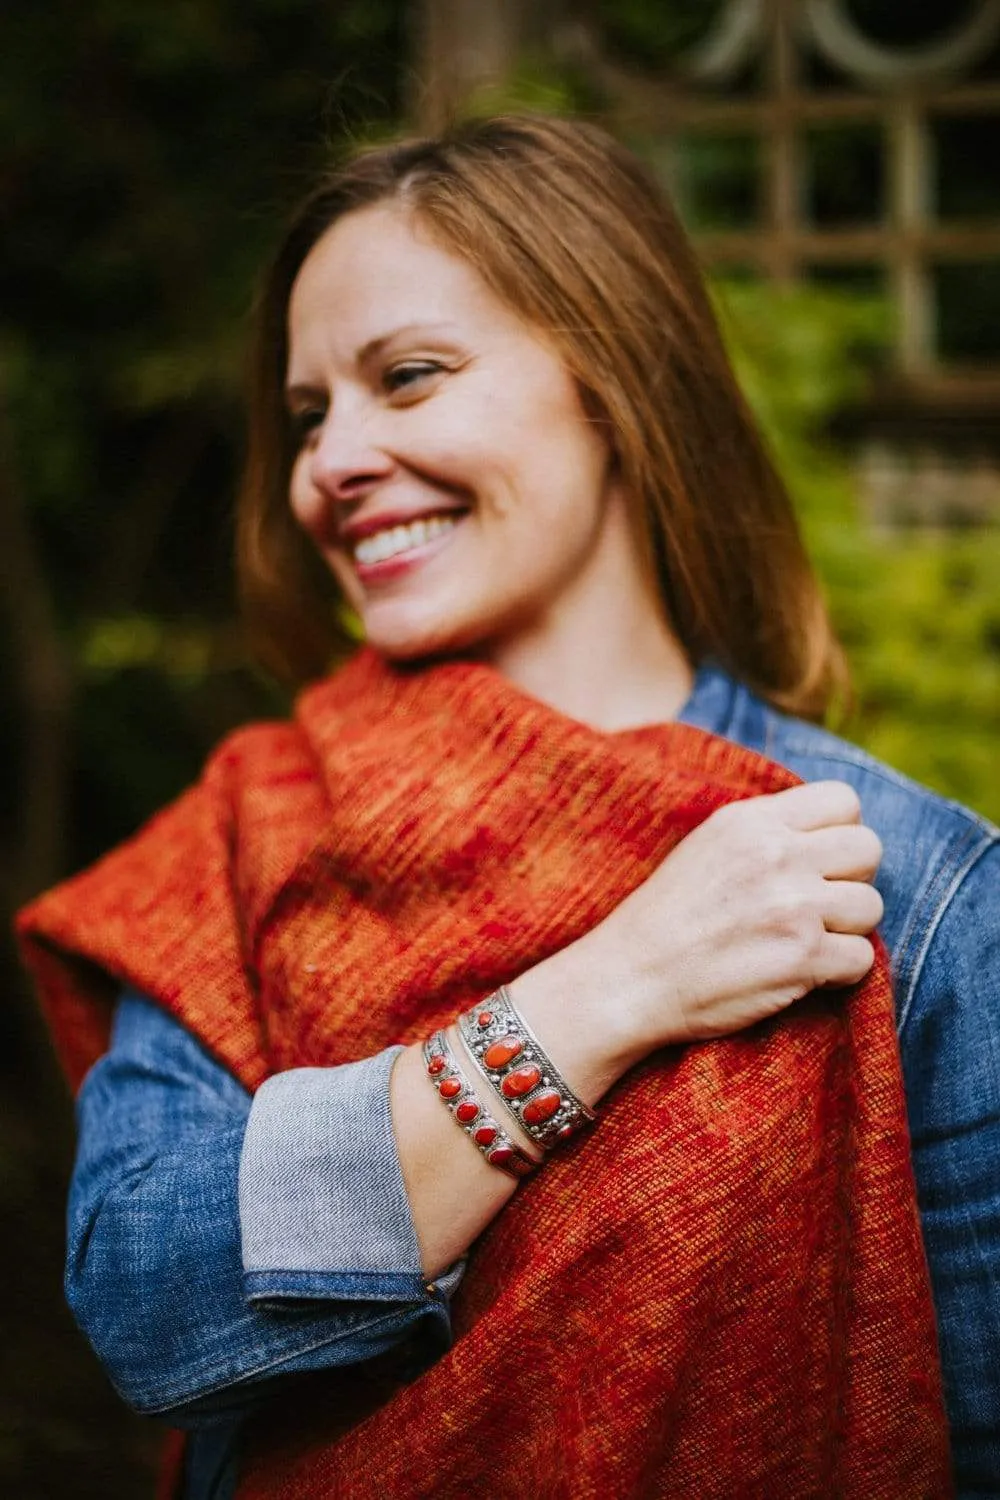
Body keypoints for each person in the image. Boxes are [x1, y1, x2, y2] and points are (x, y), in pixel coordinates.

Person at [16, 115, 998, 1499]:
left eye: (406, 379)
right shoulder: (242, 837)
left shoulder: (899, 881)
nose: (331, 463)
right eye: (308, 416)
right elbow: (148, 1296)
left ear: (615, 382)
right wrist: (606, 994)